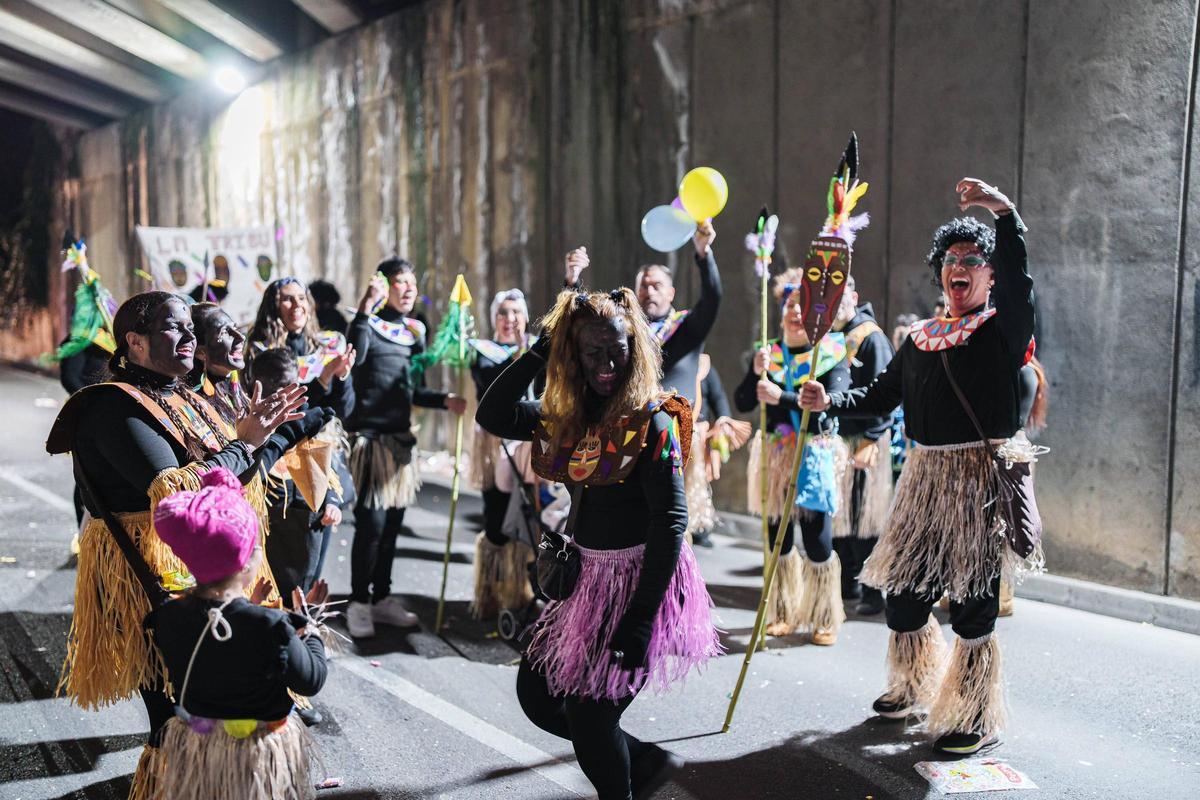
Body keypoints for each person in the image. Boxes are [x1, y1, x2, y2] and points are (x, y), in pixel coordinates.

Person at [45, 291, 321, 796]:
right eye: (175, 328)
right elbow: (182, 494)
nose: (190, 337)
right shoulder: (113, 405)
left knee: (211, 699)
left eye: (191, 327)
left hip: (196, 566)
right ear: (134, 341)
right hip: (146, 571)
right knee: (173, 708)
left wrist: (265, 438)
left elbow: (233, 476)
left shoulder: (182, 394)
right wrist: (246, 443)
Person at [800, 178, 1040, 754]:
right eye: (951, 260)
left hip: (979, 481)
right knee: (903, 595)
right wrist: (829, 401)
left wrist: (1002, 213)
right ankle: (913, 682)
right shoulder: (920, 339)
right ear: (940, 273)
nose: (961, 267)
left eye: (974, 261)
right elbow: (880, 397)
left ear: (989, 276)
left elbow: (1021, 283)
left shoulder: (1003, 332)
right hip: (925, 483)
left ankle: (975, 714)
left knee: (974, 604)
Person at [476, 287, 721, 800]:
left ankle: (624, 780)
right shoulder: (569, 418)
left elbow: (671, 521)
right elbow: (493, 414)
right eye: (593, 352)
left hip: (639, 585)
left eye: (618, 350)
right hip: (586, 584)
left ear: (635, 348)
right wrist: (541, 350)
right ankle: (644, 760)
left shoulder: (651, 421)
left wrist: (640, 617)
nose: (608, 363)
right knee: (538, 697)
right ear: (574, 355)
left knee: (589, 718)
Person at [147, 467, 329, 799]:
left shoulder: (167, 617)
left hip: (202, 749)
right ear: (246, 564)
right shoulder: (268, 625)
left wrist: (251, 606)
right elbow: (310, 679)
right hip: (258, 758)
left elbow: (217, 651)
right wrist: (310, 625)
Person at [344, 258, 468, 637]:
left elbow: (412, 388)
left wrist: (443, 399)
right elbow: (356, 357)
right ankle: (358, 602)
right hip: (371, 443)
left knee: (393, 526)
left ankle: (381, 597)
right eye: (400, 282)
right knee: (372, 526)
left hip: (401, 445)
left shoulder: (415, 330)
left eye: (412, 282)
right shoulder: (364, 323)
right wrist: (366, 308)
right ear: (384, 286)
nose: (409, 288)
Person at [736, 268, 851, 644]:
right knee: (777, 538)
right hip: (775, 454)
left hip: (813, 455)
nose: (794, 311)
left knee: (817, 538)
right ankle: (782, 609)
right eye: (789, 303)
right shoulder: (769, 352)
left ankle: (823, 616)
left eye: (803, 304)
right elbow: (742, 401)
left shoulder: (831, 352)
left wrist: (781, 396)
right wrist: (754, 375)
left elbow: (825, 408)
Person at [249, 348, 345, 606]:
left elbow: (328, 472)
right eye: (279, 386)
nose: (287, 394)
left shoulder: (306, 417)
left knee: (300, 598)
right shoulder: (250, 427)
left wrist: (333, 502)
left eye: (293, 384)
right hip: (267, 537)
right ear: (256, 385)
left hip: (305, 529)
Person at [468, 288, 540, 619]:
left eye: (516, 313)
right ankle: (490, 593)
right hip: (495, 445)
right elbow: (490, 380)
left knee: (531, 518)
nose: (510, 320)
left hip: (528, 446)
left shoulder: (537, 351)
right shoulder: (483, 353)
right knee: (496, 517)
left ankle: (522, 591)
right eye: (503, 313)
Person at [829, 277, 895, 615]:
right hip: (840, 440)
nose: (835, 304)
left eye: (841, 297)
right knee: (841, 517)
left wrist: (872, 438)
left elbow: (885, 393)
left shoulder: (872, 338)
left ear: (854, 297)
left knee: (866, 518)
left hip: (867, 440)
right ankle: (847, 584)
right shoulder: (830, 338)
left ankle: (872, 590)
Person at [247, 277, 356, 419]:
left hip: (328, 437)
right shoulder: (263, 353)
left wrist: (342, 376)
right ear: (274, 307)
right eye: (287, 299)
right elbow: (281, 411)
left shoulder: (328, 347)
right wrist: (323, 379)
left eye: (301, 298)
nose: (297, 304)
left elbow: (343, 411)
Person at [189, 302, 250, 427]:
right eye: (224, 332)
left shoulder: (237, 389)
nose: (241, 337)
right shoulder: (196, 402)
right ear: (201, 352)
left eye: (235, 328)